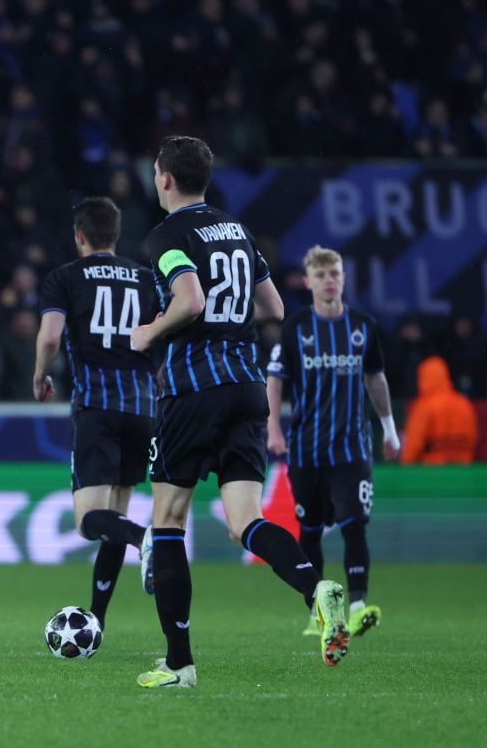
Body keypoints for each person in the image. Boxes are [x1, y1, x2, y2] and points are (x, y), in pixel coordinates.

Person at [130, 136, 349, 689]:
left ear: (164, 178)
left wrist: (150, 331)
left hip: (193, 389)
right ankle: (316, 589)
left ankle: (179, 665)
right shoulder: (236, 230)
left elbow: (190, 299)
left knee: (168, 521)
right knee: (245, 522)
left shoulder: (166, 236)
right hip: (246, 386)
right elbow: (274, 306)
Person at [32, 196, 160, 634]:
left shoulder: (65, 277)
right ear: (116, 234)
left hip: (97, 406)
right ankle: (97, 619)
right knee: (114, 520)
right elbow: (164, 335)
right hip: (141, 408)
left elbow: (51, 338)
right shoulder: (146, 279)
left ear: (79, 235)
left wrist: (40, 375)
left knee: (90, 521)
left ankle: (145, 537)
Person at [266, 245, 400, 639]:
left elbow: (375, 378)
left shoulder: (363, 326)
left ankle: (357, 607)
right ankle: (318, 611)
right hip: (306, 449)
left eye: (335, 274)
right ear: (308, 282)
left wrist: (389, 428)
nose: (329, 281)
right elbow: (275, 379)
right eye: (321, 275)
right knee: (309, 529)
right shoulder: (295, 328)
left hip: (351, 446)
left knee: (354, 524)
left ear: (343, 278)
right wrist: (273, 428)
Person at [400, 356, 479, 464]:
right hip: (462, 468)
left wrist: (406, 465)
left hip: (432, 469)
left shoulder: (424, 406)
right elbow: (473, 439)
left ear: (423, 378)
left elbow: (413, 444)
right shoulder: (464, 404)